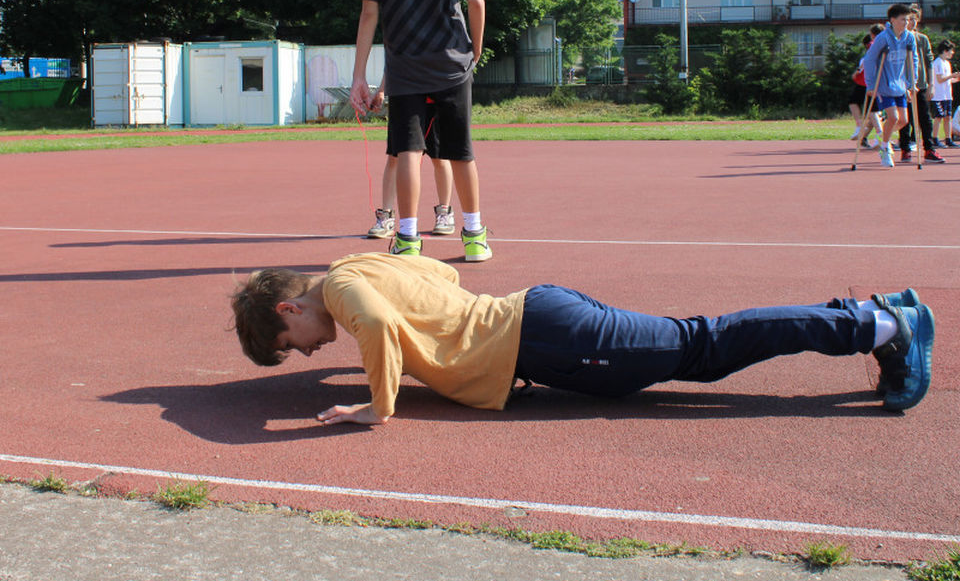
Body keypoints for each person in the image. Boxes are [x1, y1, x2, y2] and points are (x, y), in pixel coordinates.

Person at [231, 253, 935, 426]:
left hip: (548, 340)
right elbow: (441, 274)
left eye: (295, 343)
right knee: (702, 349)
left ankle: (878, 325)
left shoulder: (342, 293)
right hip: (542, 319)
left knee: (706, 347)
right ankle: (879, 315)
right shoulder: (357, 266)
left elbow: (382, 327)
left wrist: (375, 407)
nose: (312, 354)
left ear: (290, 308)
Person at [350, 0, 490, 262]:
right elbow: (476, 1)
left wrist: (359, 76)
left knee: (408, 150)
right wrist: (476, 49)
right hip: (451, 62)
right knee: (460, 151)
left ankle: (408, 239)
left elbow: (369, 15)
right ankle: (474, 237)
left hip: (405, 65)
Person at [365, 84, 455, 240]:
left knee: (439, 157)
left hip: (434, 100)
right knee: (394, 157)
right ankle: (387, 216)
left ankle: (445, 213)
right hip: (404, 99)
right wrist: (381, 89)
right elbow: (392, 68)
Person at [862, 3, 919, 168]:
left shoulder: (909, 37)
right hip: (884, 85)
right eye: (903, 19)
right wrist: (871, 85)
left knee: (903, 120)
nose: (906, 23)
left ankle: (882, 136)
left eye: (907, 19)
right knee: (893, 117)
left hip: (900, 84)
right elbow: (869, 60)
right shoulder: (883, 38)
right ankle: (885, 148)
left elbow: (913, 60)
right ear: (892, 20)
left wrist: (912, 83)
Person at [897, 6, 944, 164]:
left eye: (915, 19)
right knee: (905, 119)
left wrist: (931, 84)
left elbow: (929, 62)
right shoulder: (899, 38)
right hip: (903, 85)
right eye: (909, 19)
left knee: (925, 118)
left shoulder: (922, 39)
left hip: (921, 84)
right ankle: (905, 148)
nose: (912, 22)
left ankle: (929, 149)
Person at [849, 26, 883, 148]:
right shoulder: (884, 43)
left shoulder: (875, 45)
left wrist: (858, 71)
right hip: (876, 83)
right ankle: (866, 135)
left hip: (872, 83)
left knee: (873, 112)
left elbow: (867, 60)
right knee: (874, 113)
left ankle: (879, 135)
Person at [929, 39, 960, 148]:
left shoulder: (947, 63)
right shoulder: (937, 63)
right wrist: (952, 75)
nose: (952, 53)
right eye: (951, 50)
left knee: (948, 117)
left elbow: (947, 80)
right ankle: (935, 138)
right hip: (939, 96)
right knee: (938, 117)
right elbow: (940, 79)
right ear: (945, 51)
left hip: (947, 95)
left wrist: (956, 78)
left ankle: (948, 139)